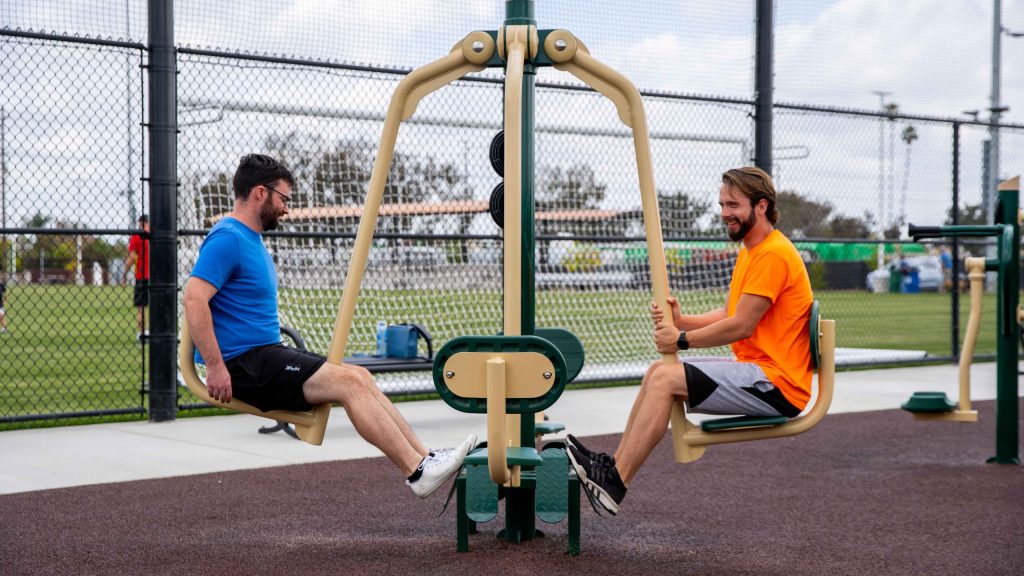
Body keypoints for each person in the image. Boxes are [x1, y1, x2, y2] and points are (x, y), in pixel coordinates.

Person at [182, 154, 474, 499]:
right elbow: (193, 298)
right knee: (350, 383)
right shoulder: (228, 237)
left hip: (264, 355)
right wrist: (215, 367)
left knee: (360, 376)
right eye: (284, 198)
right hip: (245, 364)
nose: (287, 209)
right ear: (260, 193)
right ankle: (417, 471)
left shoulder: (249, 238)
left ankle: (425, 458)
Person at [566, 166, 814, 516]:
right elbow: (730, 312)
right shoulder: (752, 250)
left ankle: (615, 483)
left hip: (777, 384)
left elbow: (740, 326)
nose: (725, 212)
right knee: (657, 370)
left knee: (667, 377)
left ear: (761, 206)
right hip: (760, 371)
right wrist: (683, 321)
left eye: (734, 204)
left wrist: (681, 340)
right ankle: (612, 467)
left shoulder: (773, 254)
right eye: (722, 204)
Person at [123, 214, 150, 339]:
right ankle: (155, 331)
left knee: (141, 307)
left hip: (142, 275)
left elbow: (132, 257)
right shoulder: (155, 235)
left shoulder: (136, 237)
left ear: (139, 223)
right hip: (156, 276)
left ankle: (142, 333)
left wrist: (124, 273)